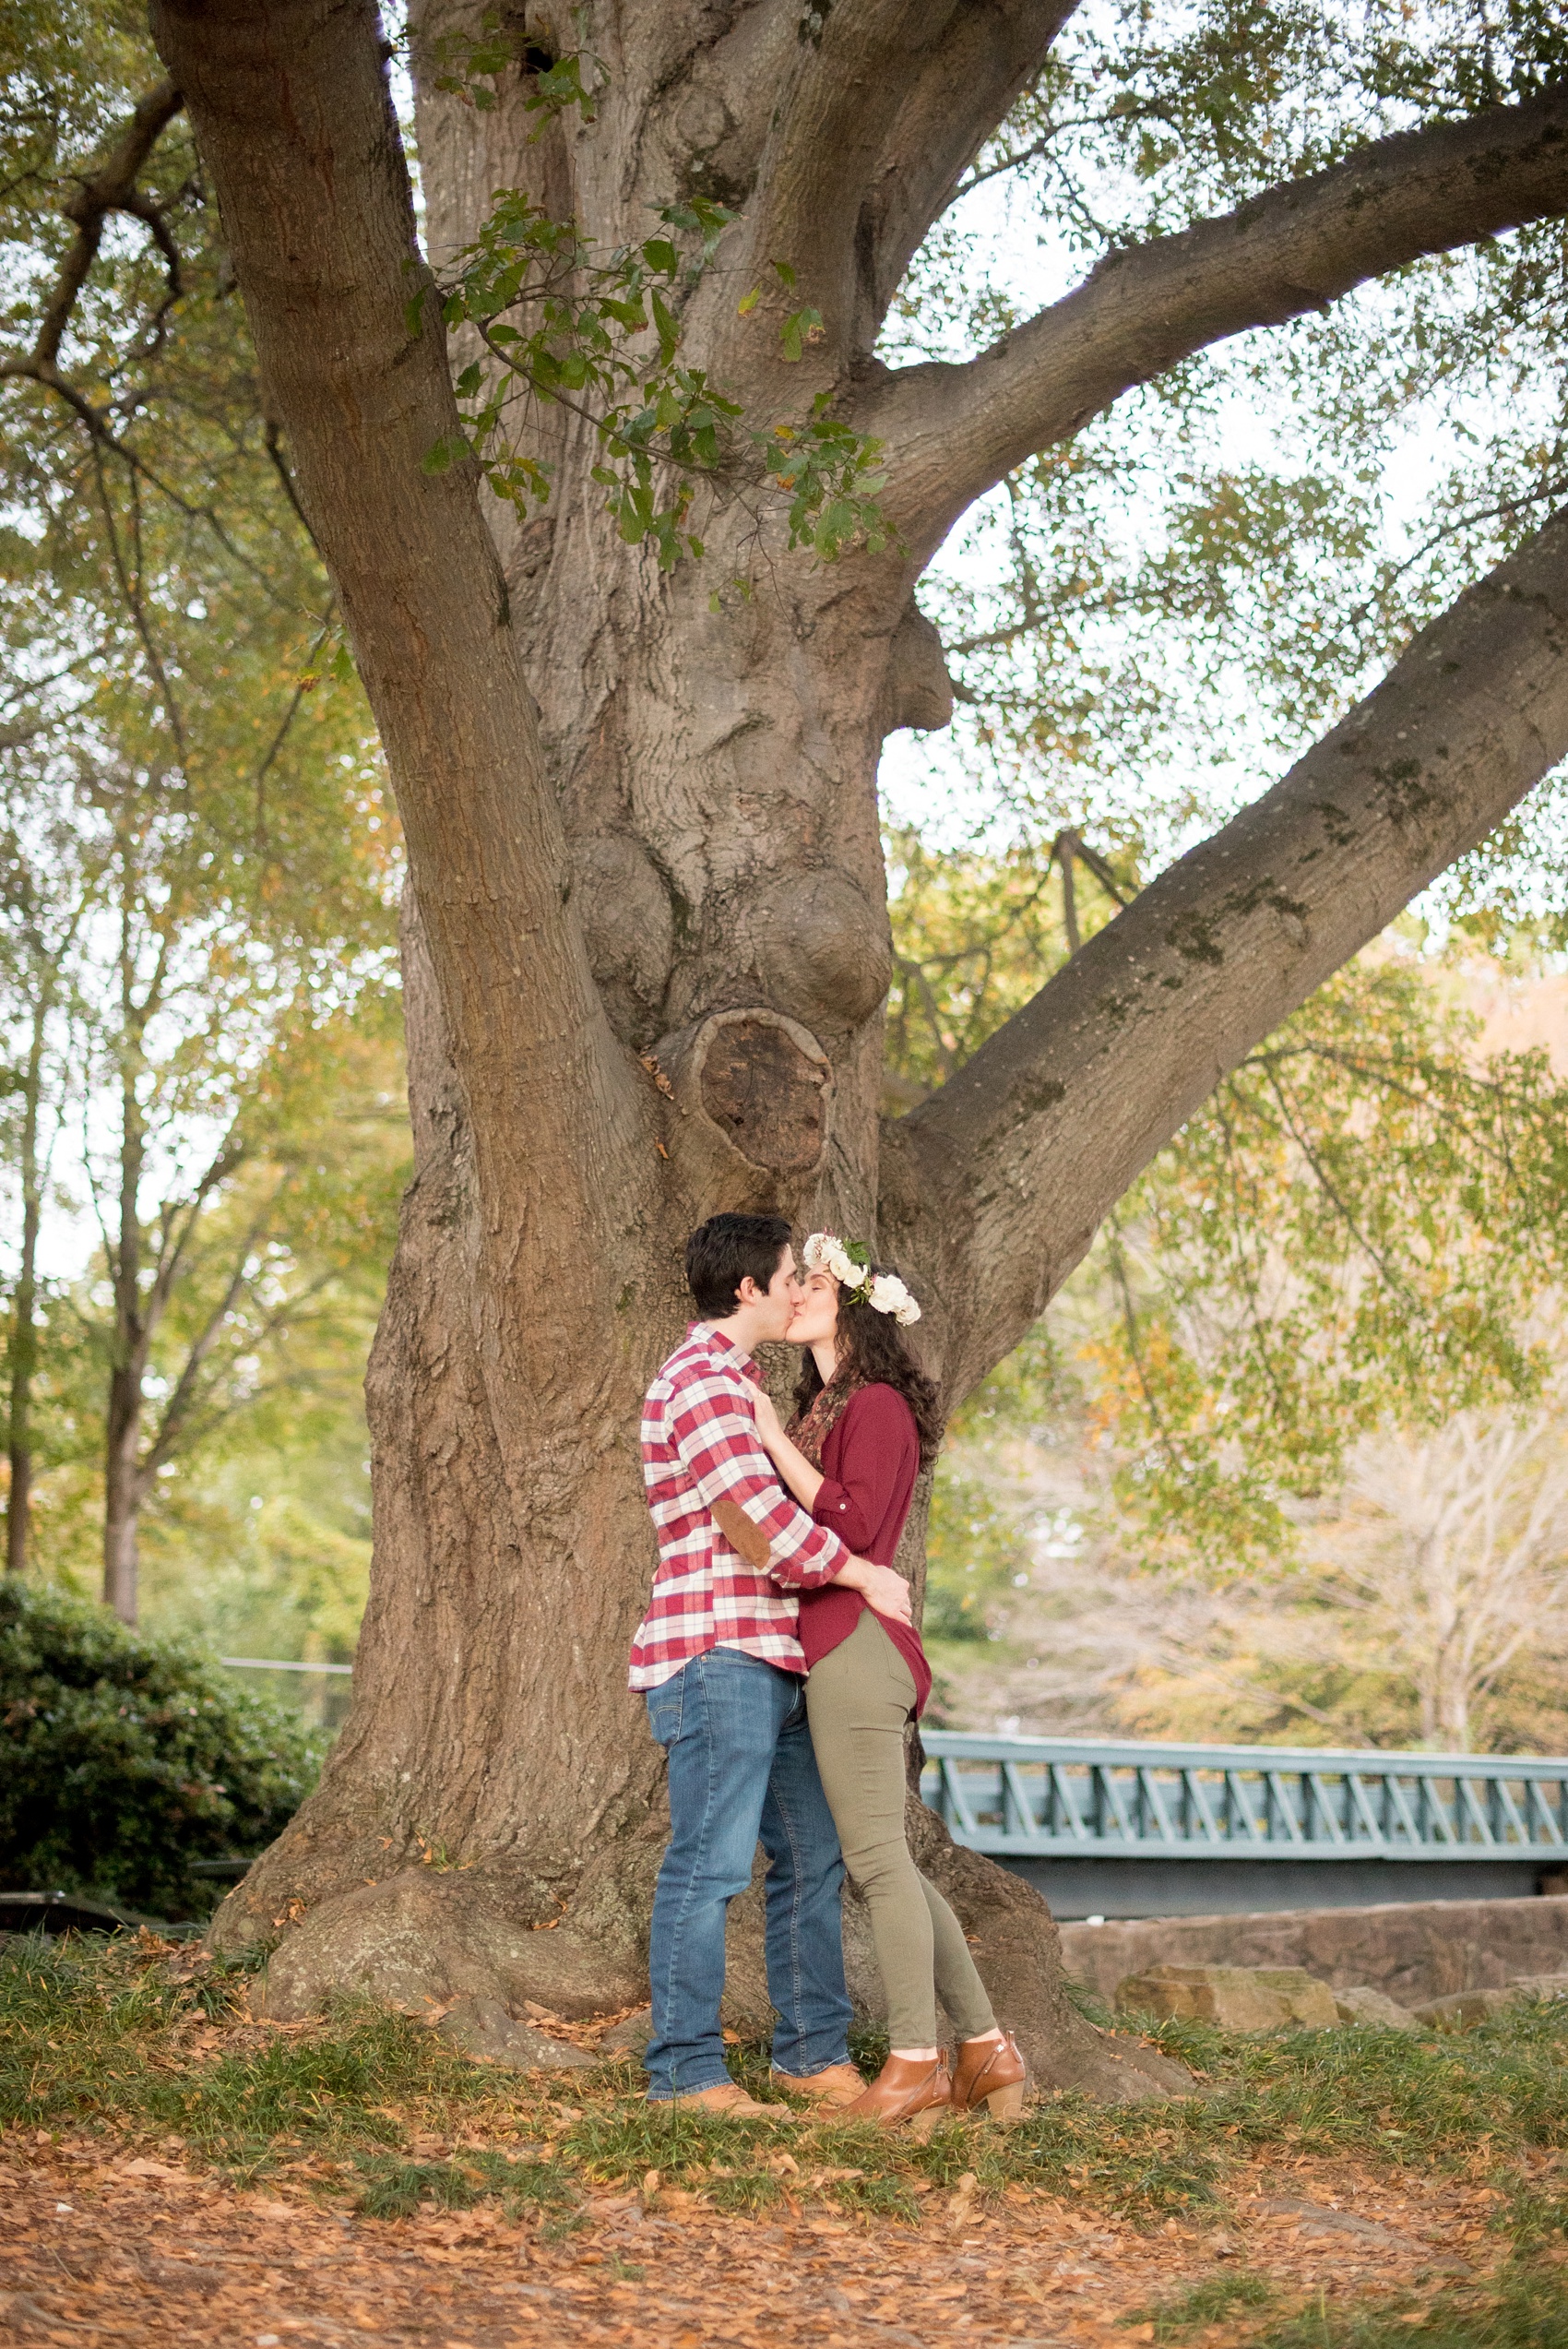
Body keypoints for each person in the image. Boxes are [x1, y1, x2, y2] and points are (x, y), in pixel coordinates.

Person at [630, 1211, 915, 2115]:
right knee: (709, 1866)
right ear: (749, 1288)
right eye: (792, 1275)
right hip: (717, 1651)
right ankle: (682, 2071)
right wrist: (863, 1571)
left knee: (813, 1858)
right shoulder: (698, 1382)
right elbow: (753, 1524)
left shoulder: (743, 1386)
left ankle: (809, 2054)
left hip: (777, 1654)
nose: (801, 1289)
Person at [751, 1230, 1028, 2128]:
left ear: (859, 1302)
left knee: (872, 1860)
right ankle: (984, 2048)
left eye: (816, 1282)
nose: (797, 1293)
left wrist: (763, 1433)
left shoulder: (871, 1404)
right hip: (833, 1643)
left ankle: (914, 2061)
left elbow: (852, 1524)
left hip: (855, 1644)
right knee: (890, 1860)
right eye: (796, 1281)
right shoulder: (830, 1404)